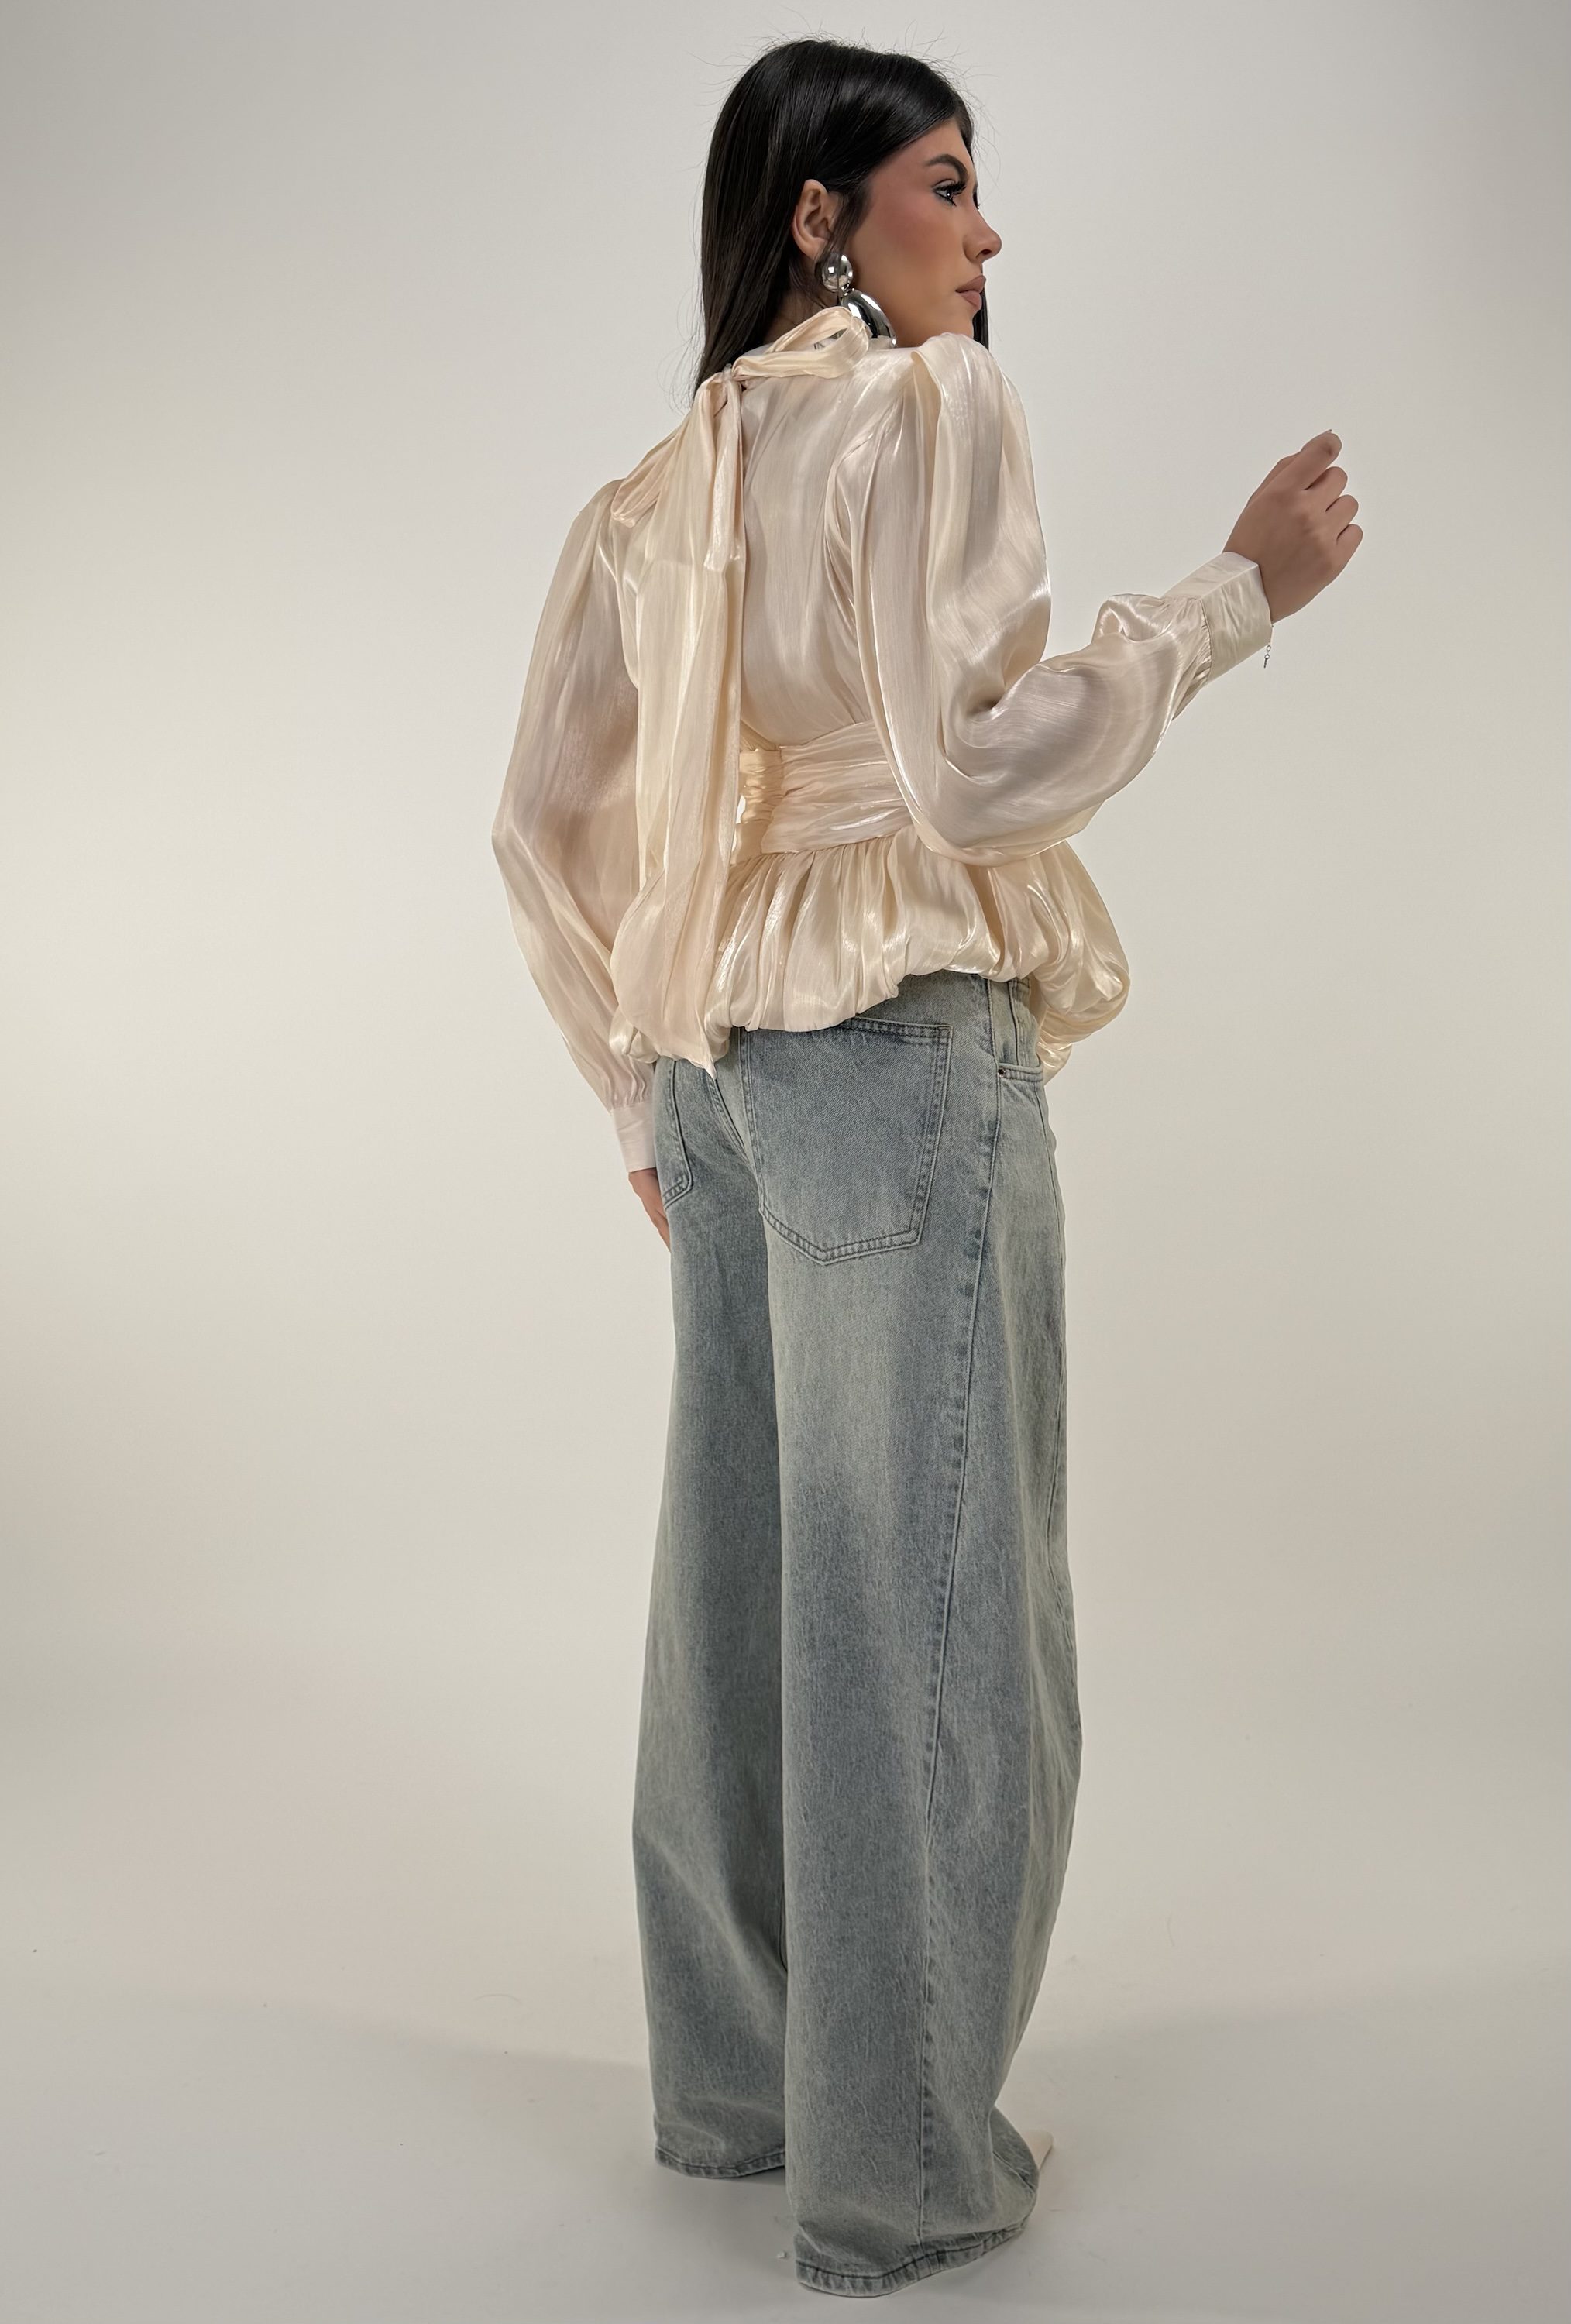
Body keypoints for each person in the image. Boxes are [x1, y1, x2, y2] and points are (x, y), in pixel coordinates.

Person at [490, 36, 1360, 2302]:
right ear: (823, 216)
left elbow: (538, 826)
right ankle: (895, 2171)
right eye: (947, 184)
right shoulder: (925, 407)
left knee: (743, 1593)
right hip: (891, 1050)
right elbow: (968, 779)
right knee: (937, 1612)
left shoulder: (662, 480)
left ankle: (737, 2098)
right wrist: (1233, 596)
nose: (986, 234)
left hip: (722, 1073)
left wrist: (634, 1099)